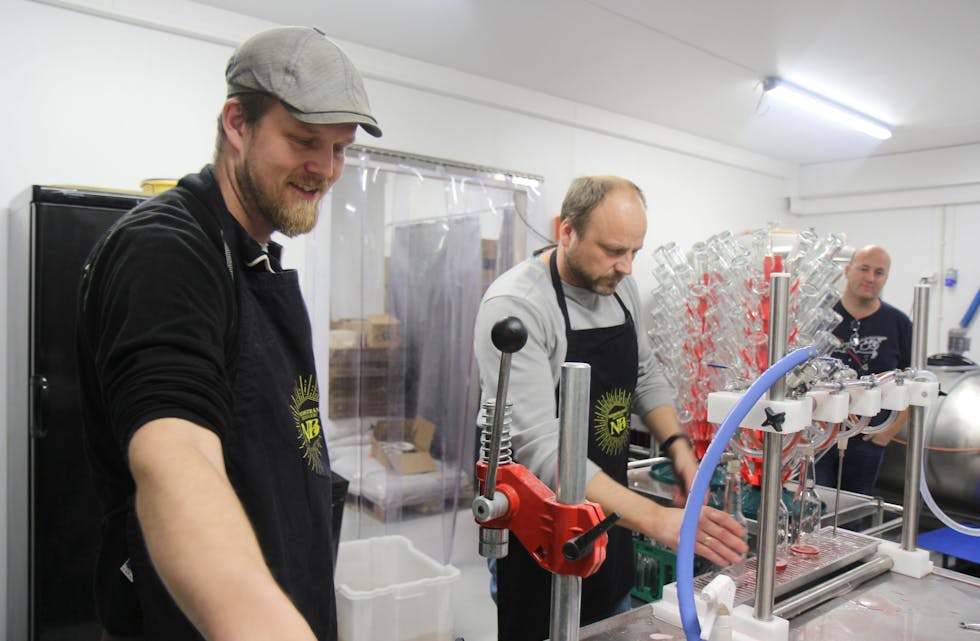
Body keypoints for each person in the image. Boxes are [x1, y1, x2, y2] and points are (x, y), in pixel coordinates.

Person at [76, 26, 381, 641]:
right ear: (237, 124)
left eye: (340, 149)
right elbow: (176, 458)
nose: (324, 169)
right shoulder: (166, 249)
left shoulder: (254, 257)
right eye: (303, 141)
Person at [473, 176, 748, 641]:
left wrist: (677, 444)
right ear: (566, 232)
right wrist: (660, 520)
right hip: (538, 528)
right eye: (612, 250)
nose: (625, 266)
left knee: (609, 623)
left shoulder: (618, 288)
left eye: (635, 252)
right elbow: (542, 449)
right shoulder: (516, 305)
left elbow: (644, 374)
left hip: (609, 509)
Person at [815, 245, 912, 502]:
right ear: (847, 271)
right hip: (820, 433)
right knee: (813, 503)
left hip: (869, 437)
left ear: (886, 279)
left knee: (854, 508)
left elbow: (913, 380)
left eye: (879, 272)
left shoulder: (898, 323)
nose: (870, 278)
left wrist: (890, 430)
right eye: (864, 269)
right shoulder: (821, 316)